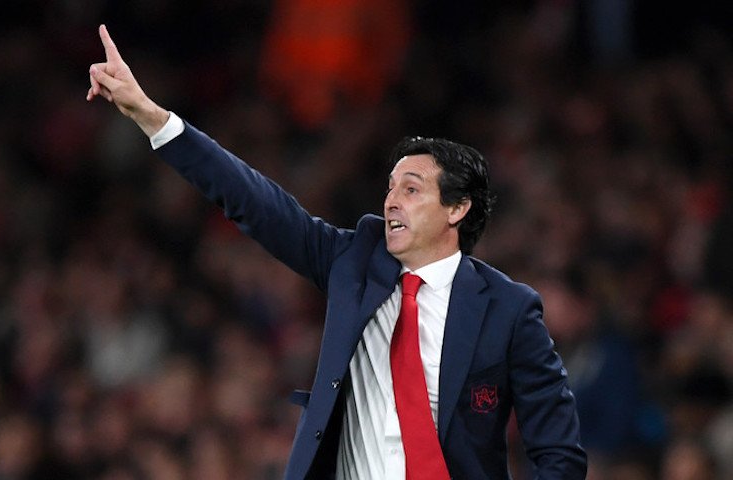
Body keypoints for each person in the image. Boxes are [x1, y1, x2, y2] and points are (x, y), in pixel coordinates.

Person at [87, 24, 586, 480]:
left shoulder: (510, 310)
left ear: (457, 208)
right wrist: (153, 118)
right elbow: (256, 203)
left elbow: (559, 455)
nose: (391, 200)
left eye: (412, 189)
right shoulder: (355, 262)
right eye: (390, 187)